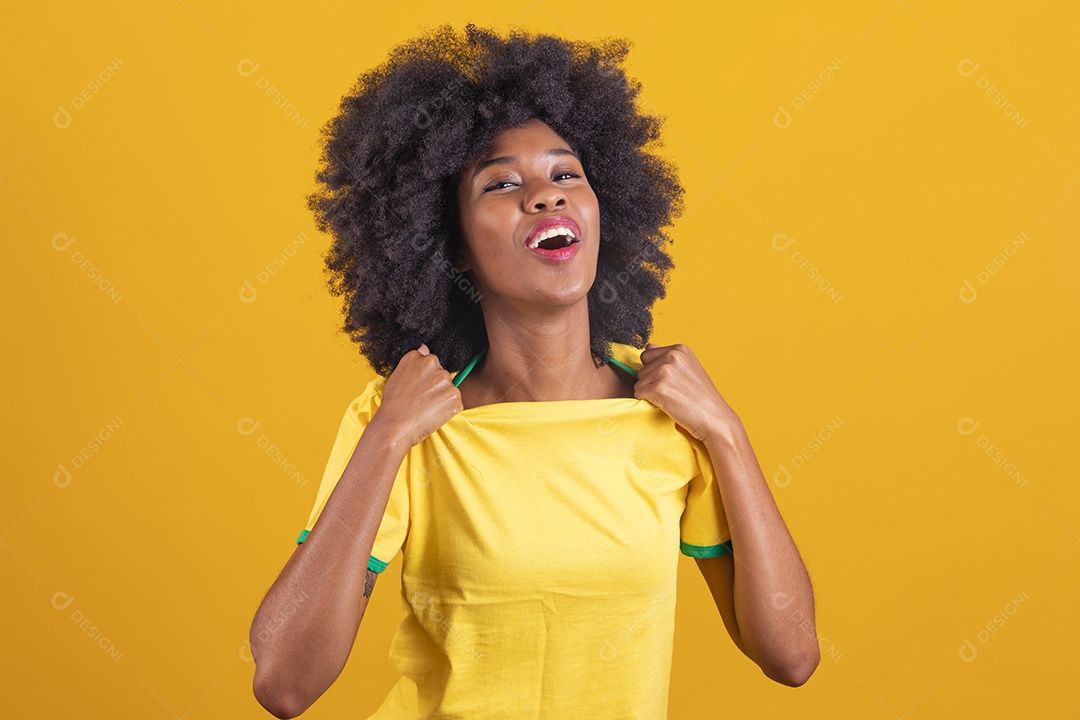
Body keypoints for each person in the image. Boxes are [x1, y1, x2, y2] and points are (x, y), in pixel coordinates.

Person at [249, 23, 819, 719]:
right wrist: (387, 440)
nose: (545, 196)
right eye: (502, 184)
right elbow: (283, 682)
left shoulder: (671, 413)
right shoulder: (402, 419)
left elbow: (791, 655)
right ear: (451, 246)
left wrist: (727, 434)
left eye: (565, 174)